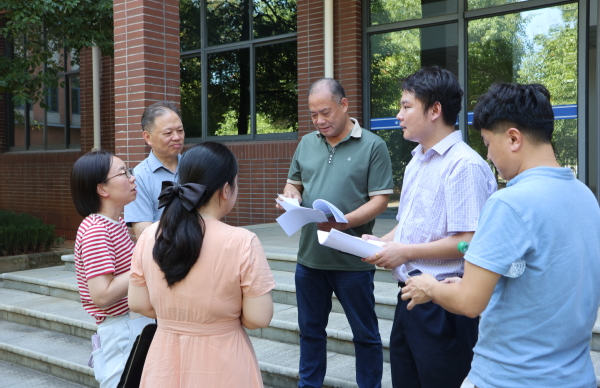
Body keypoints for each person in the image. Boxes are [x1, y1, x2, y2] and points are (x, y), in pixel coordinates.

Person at [403, 82, 600, 388]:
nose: (488, 155)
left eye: (487, 142)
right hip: (575, 377)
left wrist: (430, 286)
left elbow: (469, 303)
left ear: (513, 138)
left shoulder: (509, 203)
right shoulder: (586, 196)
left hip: (509, 376)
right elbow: (544, 279)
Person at [362, 66, 497, 388]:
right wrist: (382, 244)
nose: (398, 115)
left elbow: (469, 241)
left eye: (406, 106)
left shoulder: (464, 165)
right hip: (410, 296)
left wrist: (405, 251)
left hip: (445, 303)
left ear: (435, 110)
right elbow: (407, 225)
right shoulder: (417, 160)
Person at [127, 142, 275, 387]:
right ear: (225, 190)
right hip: (223, 362)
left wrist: (176, 317)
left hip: (164, 361)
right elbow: (258, 318)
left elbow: (138, 303)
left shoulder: (149, 235)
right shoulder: (242, 241)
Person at [278, 78, 393, 388]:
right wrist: (291, 197)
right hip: (310, 259)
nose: (319, 121)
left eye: (325, 113)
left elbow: (380, 200)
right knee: (310, 332)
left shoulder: (373, 145)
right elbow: (293, 183)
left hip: (353, 260)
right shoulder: (306, 143)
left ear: (344, 105)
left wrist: (344, 222)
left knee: (365, 335)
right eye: (313, 114)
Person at [70, 149, 153, 388]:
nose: (133, 178)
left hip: (131, 325)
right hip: (122, 330)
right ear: (102, 189)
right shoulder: (96, 230)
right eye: (124, 173)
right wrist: (146, 261)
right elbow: (102, 295)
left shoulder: (114, 223)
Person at [124, 101, 185, 239]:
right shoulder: (137, 178)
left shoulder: (195, 166)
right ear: (147, 137)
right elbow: (144, 234)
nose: (177, 137)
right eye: (168, 133)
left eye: (180, 130)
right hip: (162, 250)